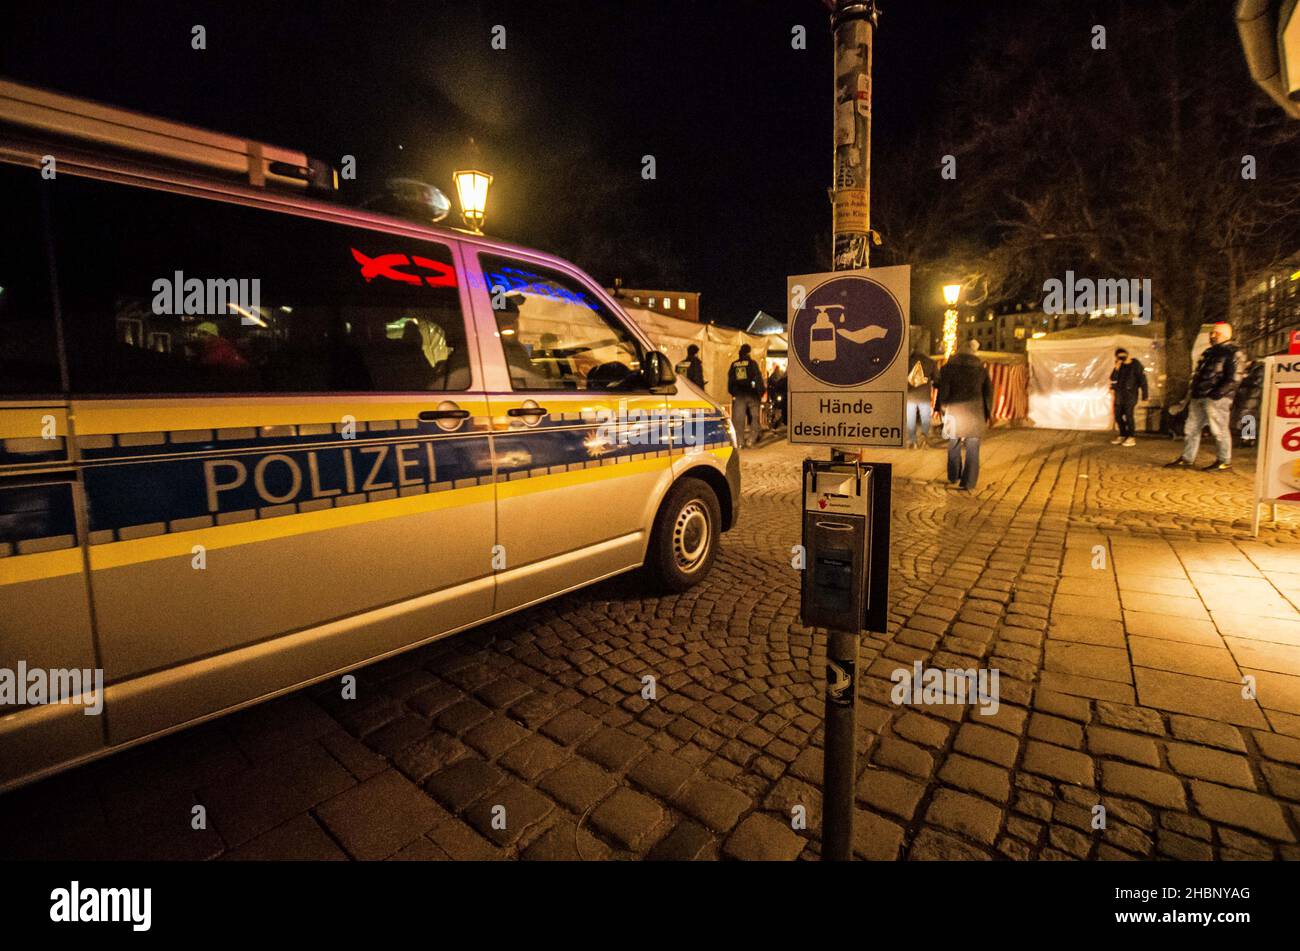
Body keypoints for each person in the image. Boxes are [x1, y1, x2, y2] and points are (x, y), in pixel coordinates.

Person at [1165, 321, 1246, 472]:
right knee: (1191, 428)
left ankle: (1224, 460)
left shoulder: (1234, 352)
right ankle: (1188, 458)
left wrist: (1217, 394)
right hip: (1201, 396)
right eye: (1212, 333)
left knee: (1219, 429)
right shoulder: (1209, 352)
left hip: (1216, 398)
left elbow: (1235, 377)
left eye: (1216, 333)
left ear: (1225, 335)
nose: (1212, 335)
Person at [936, 339, 992, 490]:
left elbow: (943, 393)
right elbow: (988, 394)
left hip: (954, 412)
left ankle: (954, 475)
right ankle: (969, 482)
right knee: (973, 447)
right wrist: (987, 414)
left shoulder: (948, 368)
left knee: (953, 444)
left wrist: (942, 411)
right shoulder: (981, 370)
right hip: (975, 413)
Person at [1109, 347, 1149, 447]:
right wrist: (1116, 368)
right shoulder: (1119, 365)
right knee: (1117, 416)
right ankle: (1123, 434)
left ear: (1127, 354)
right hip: (1119, 395)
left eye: (1123, 355)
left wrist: (1145, 395)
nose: (1121, 358)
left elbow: (1143, 381)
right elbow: (1113, 378)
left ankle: (1131, 437)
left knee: (1128, 415)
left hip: (1130, 395)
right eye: (1119, 356)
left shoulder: (1135, 364)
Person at [728, 343, 765, 448]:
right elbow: (757, 378)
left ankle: (740, 441)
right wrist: (760, 392)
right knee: (754, 417)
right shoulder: (752, 363)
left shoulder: (734, 364)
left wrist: (733, 392)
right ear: (749, 352)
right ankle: (751, 439)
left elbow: (730, 381)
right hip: (752, 394)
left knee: (738, 419)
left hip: (739, 394)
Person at [905, 347, 938, 449]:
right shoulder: (930, 362)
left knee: (910, 419)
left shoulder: (907, 361)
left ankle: (912, 441)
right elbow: (937, 379)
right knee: (925, 418)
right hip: (924, 395)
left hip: (910, 395)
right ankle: (924, 441)